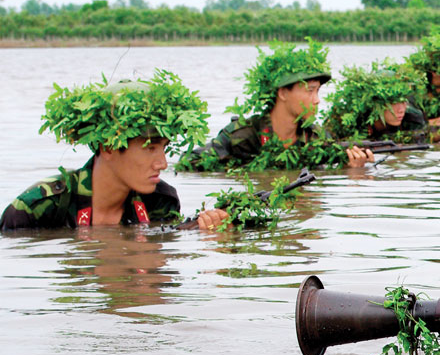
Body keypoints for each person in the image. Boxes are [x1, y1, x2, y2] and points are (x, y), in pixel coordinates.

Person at [3, 73, 231, 231]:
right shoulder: (37, 208)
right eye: (150, 148)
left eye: (164, 148)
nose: (162, 163)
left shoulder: (160, 201)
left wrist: (206, 232)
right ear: (109, 147)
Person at [179, 41, 372, 171]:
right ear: (282, 92)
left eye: (318, 91)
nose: (316, 100)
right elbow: (188, 163)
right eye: (310, 90)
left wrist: (353, 170)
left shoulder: (317, 138)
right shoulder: (242, 135)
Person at [322, 60, 433, 144]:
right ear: (376, 105)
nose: (401, 110)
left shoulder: (412, 119)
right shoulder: (346, 121)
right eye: (393, 103)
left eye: (404, 102)